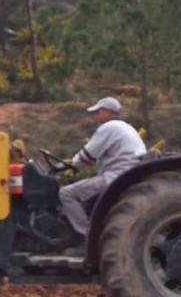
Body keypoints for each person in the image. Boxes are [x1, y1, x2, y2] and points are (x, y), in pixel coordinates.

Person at [59, 97, 146, 256]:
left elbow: (87, 155)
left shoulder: (109, 128)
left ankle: (87, 239)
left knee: (66, 193)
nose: (96, 116)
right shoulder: (125, 127)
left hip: (115, 176)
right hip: (126, 173)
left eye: (98, 112)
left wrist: (68, 165)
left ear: (107, 112)